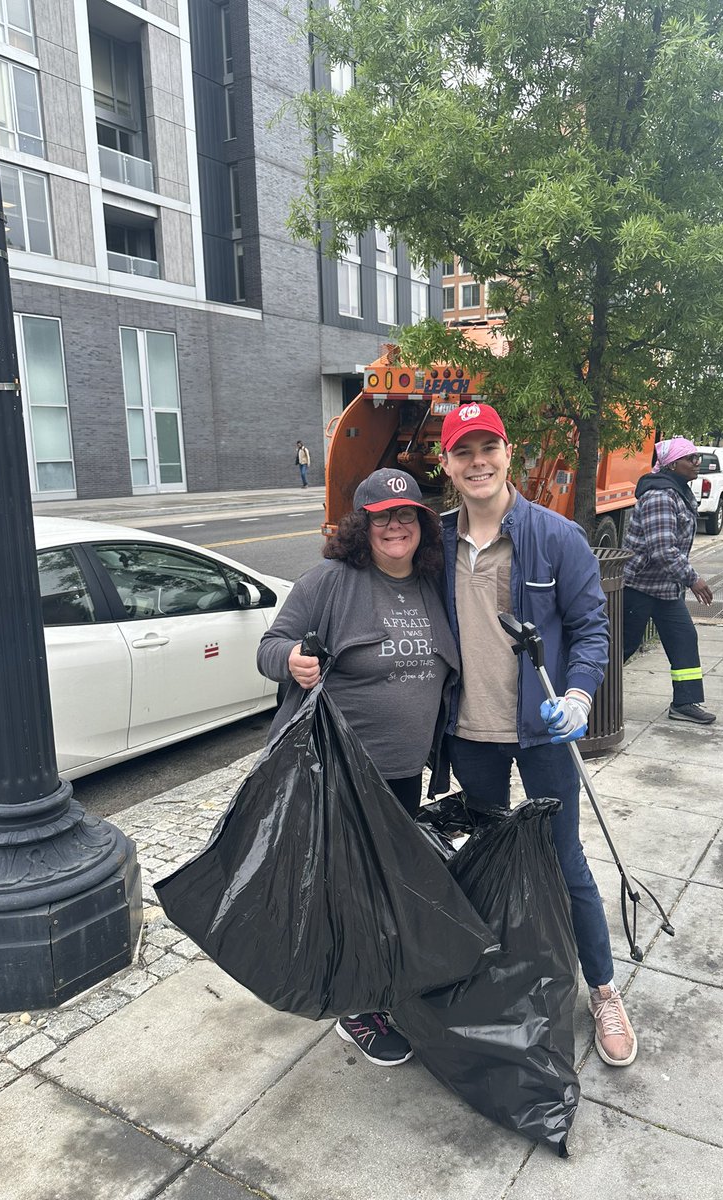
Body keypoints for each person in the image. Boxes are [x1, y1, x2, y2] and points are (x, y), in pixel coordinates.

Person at [438, 402, 637, 1068]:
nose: (478, 462)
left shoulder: (556, 537)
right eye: (463, 452)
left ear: (508, 452)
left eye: (487, 448)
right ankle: (506, 976)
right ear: (447, 465)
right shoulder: (435, 542)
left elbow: (590, 629)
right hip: (472, 736)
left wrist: (579, 697)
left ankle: (603, 988)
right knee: (493, 858)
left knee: (562, 859)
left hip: (543, 731)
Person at [256, 468, 458, 1068]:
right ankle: (355, 1004)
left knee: (389, 884)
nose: (395, 525)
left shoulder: (431, 582)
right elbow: (271, 645)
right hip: (340, 771)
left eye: (406, 515)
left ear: (422, 523)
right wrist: (292, 660)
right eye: (381, 517)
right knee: (350, 890)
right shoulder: (331, 581)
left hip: (402, 774)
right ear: (362, 525)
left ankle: (384, 980)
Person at [621, 437, 715, 725]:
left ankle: (685, 702)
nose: (697, 463)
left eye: (697, 457)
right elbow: (662, 550)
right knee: (623, 645)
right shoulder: (661, 496)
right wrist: (693, 579)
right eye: (691, 458)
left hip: (665, 588)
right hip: (639, 586)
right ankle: (588, 697)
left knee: (684, 638)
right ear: (673, 464)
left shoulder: (678, 492)